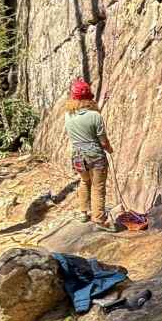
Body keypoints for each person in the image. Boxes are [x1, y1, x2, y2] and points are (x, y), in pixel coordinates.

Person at [64, 78, 115, 227]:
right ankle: (99, 219)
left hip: (78, 157)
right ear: (89, 98)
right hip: (95, 157)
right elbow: (103, 142)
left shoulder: (68, 115)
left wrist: (101, 103)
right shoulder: (96, 116)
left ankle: (83, 213)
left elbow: (86, 115)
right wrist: (110, 150)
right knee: (98, 186)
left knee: (85, 181)